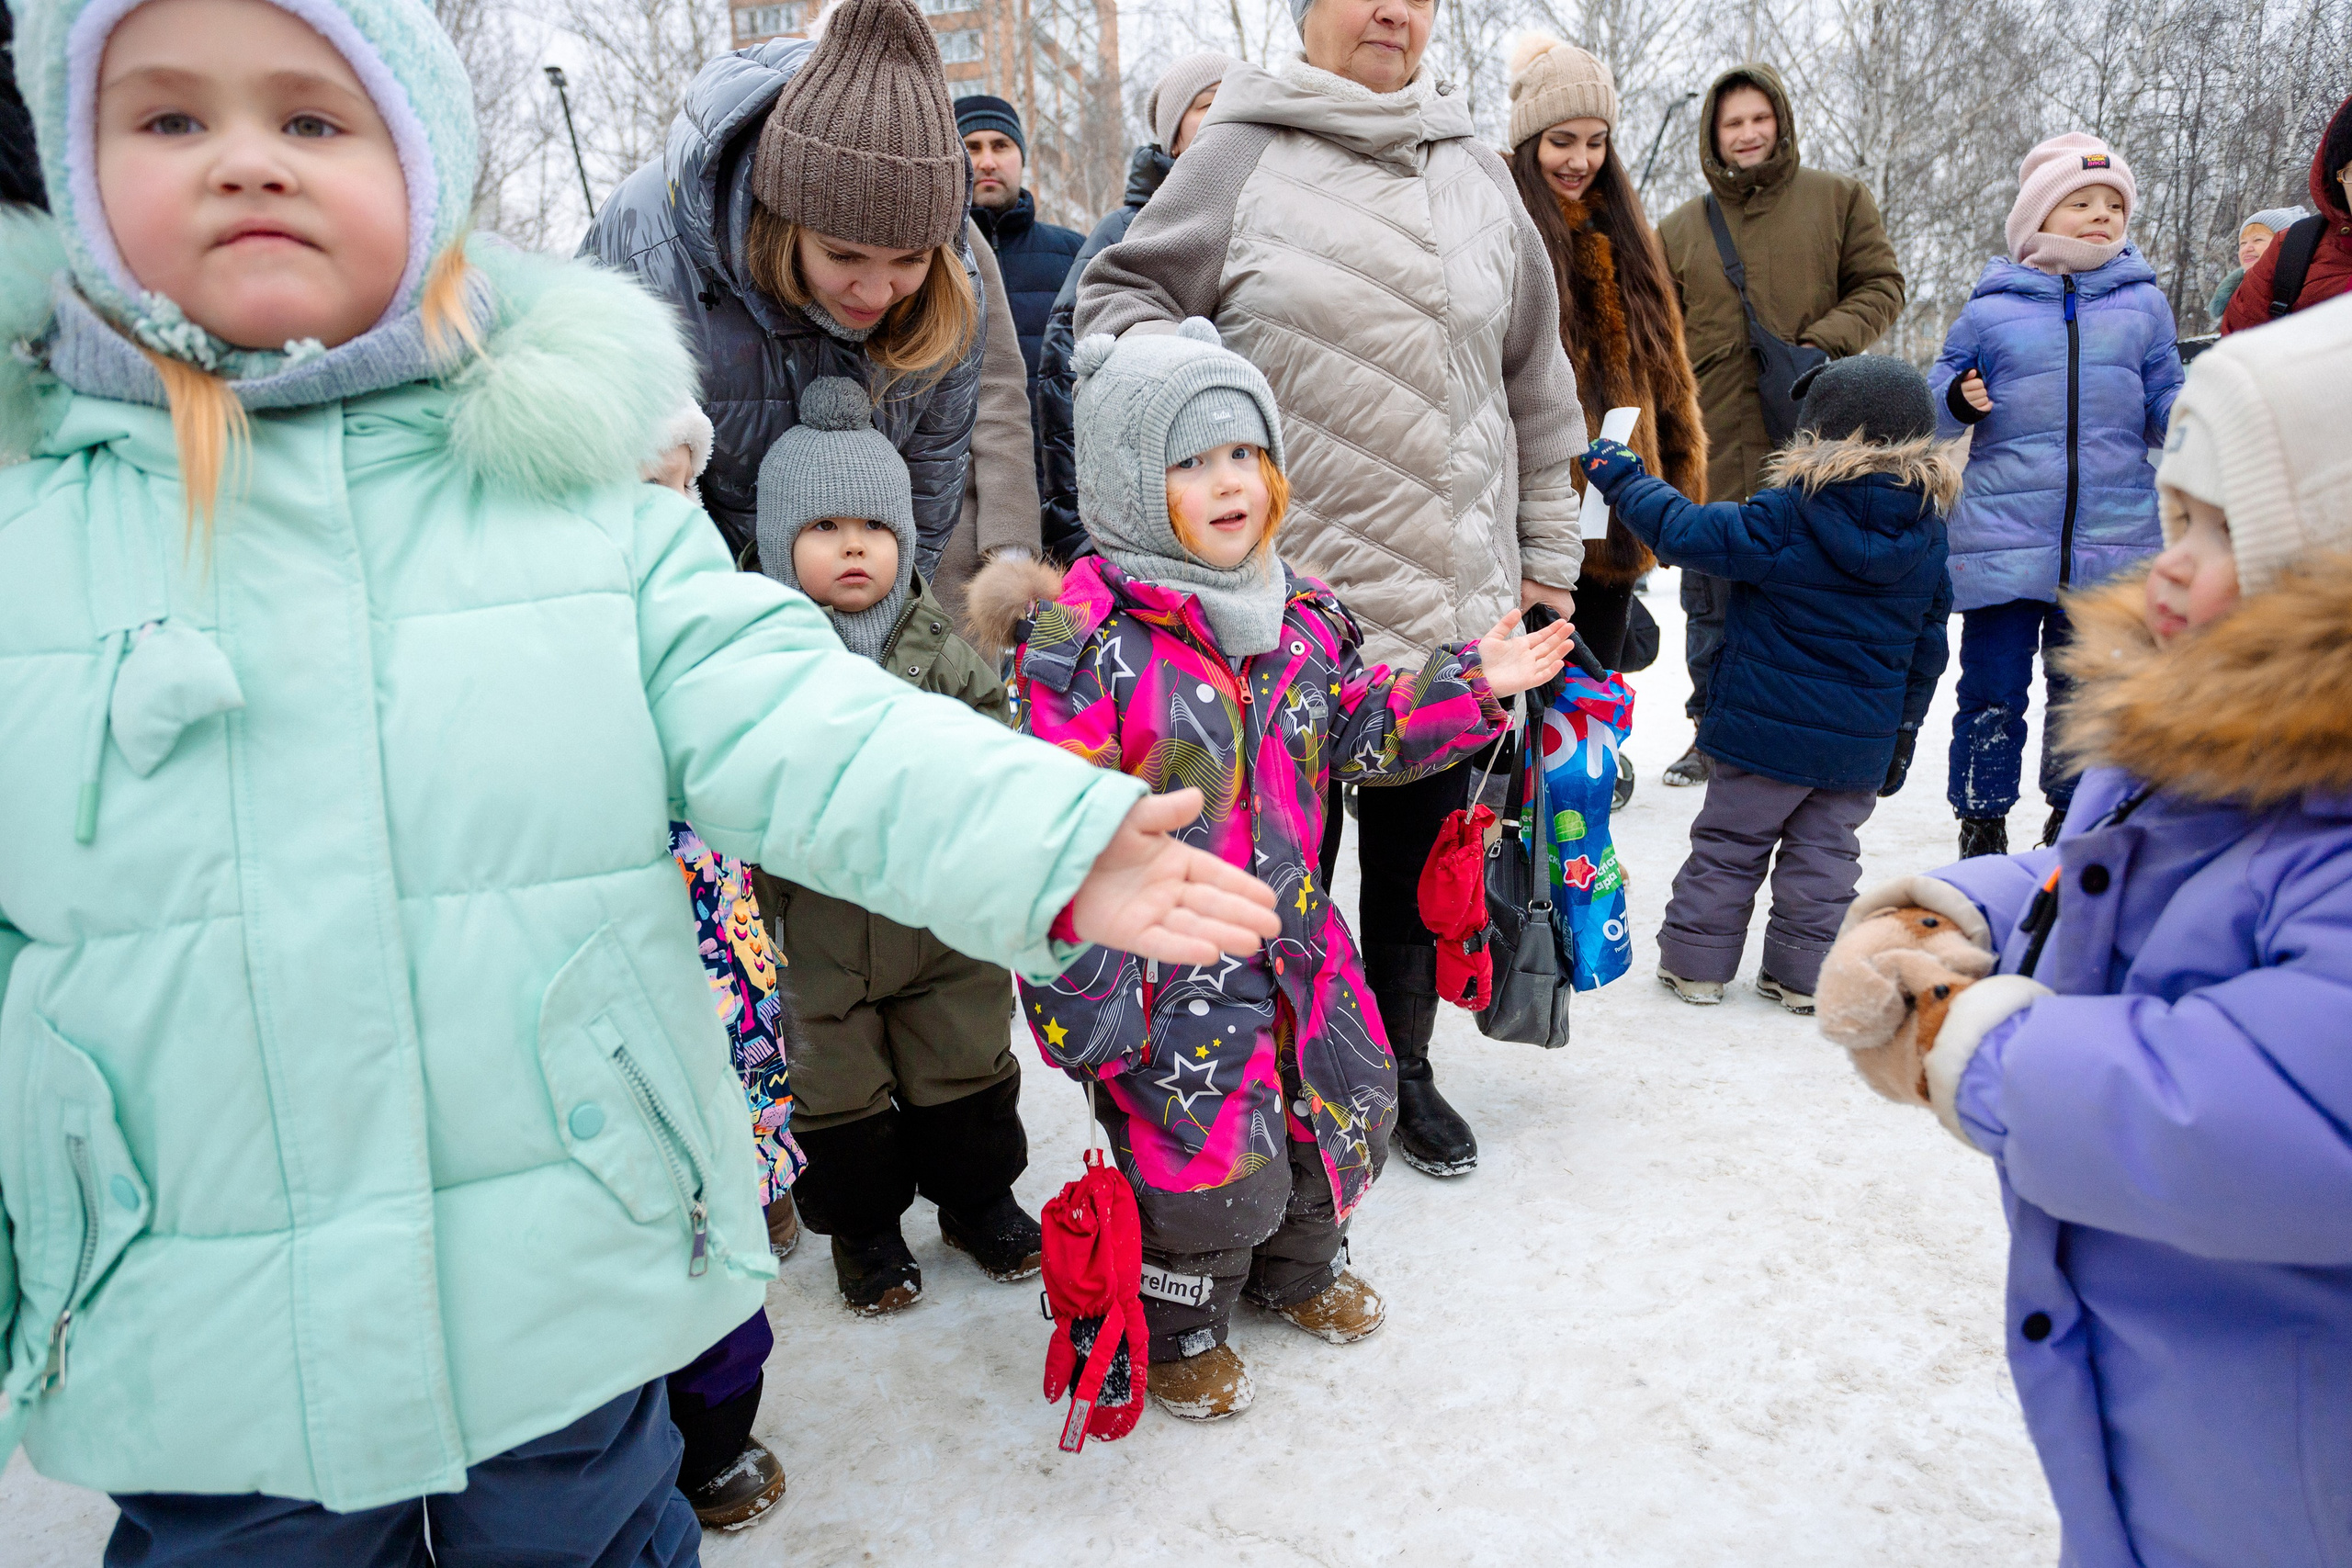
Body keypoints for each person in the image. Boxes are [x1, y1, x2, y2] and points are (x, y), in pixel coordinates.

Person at [0, 1, 1283, 1561]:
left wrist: (1044, 834)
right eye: (170, 120)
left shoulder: (567, 494)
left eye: (316, 119)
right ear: (66, 164)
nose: (248, 163)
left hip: (560, 1243)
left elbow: (801, 705)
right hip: (190, 1298)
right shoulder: (29, 536)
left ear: (426, 169)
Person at [1815, 295, 2352, 1568]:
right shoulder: (2216, 742)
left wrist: (1973, 1043)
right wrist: (1958, 909)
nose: (2164, 560)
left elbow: (2293, 1110)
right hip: (2193, 1427)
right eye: (2171, 515)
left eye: (2219, 532)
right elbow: (2109, 868)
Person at [972, 321, 1571, 1420]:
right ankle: (1185, 1316)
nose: (1228, 483)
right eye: (1189, 463)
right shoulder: (1083, 641)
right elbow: (1043, 832)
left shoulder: (1299, 615)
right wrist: (1081, 995)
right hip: (1166, 965)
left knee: (1337, 1106)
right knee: (1196, 1154)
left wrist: (1463, 684)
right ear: (1126, 483)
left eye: (1244, 454)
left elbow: (1359, 732)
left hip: (1297, 941)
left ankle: (1300, 1269)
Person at [1075, 0, 1589, 1179]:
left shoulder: (1472, 167)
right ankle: (1261, 1081)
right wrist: (1191, 457)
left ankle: (1401, 1070)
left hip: (1448, 600)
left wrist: (1549, 563)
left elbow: (1535, 383)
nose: (1393, 11)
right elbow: (1117, 310)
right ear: (1307, 15)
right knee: (1274, 868)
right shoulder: (1242, 151)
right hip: (1274, 620)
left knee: (1420, 860)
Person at [745, 378, 1044, 1318]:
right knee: (834, 1086)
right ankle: (866, 1232)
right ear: (777, 541)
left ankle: (977, 1200)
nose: (851, 547)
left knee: (963, 1057)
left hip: (937, 917)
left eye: (871, 527)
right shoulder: (761, 657)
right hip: (816, 927)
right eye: (823, 527)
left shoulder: (937, 642)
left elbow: (993, 734)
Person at [1582, 357, 1954, 1013]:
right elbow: (1928, 653)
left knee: (1729, 847)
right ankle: (1802, 975)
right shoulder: (1926, 538)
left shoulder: (1786, 516)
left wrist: (1625, 478)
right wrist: (1900, 740)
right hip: (1854, 750)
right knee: (1826, 861)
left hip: (1759, 733)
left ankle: (1697, 967)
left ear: (1819, 436)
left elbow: (1683, 530)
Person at [581, 0, 986, 574]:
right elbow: (599, 477)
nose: (874, 294)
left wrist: (884, 625)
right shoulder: (648, 246)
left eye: (908, 261)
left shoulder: (952, 290)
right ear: (779, 219)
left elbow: (926, 482)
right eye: (842, 254)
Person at [1930, 134, 2182, 859]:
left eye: (2114, 204)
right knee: (1992, 692)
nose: (2102, 215)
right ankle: (1981, 818)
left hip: (2114, 538)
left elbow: (2166, 396)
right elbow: (1932, 406)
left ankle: (2071, 818)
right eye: (2082, 203)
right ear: (2040, 216)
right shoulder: (1991, 309)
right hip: (2003, 538)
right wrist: (1958, 398)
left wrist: (2191, 417)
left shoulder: (2145, 306)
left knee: (2085, 691)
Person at [1655, 64, 1905, 788]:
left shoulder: (1839, 199)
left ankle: (1814, 732)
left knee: (1811, 596)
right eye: (1732, 123)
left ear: (1781, 120)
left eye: (1759, 118)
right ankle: (1711, 732)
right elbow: (1654, 337)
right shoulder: (1678, 230)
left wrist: (1822, 344)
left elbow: (1882, 284)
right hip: (1712, 448)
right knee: (1712, 601)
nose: (1748, 133)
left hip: (1813, 442)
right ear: (1714, 136)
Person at [1503, 34, 1706, 674]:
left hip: (1617, 522)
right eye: (1563, 140)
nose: (1581, 159)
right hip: (1526, 532)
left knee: (1592, 715)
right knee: (1519, 729)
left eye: (1597, 141)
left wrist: (1679, 492)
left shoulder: (1627, 234)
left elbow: (1670, 379)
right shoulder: (1501, 222)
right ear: (1531, 138)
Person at [1036, 51, 1235, 563]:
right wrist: (1080, 534)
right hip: (1156, 529)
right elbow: (1068, 377)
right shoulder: (1125, 234)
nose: (1225, 115)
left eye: (1236, 103)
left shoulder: (1271, 219)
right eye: (1208, 104)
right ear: (1172, 136)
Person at [956, 95, 1085, 387]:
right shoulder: (925, 258)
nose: (987, 162)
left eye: (1001, 146)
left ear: (1021, 158)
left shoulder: (1076, 254)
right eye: (971, 147)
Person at [2222, 92, 2352, 333]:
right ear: (2339, 181)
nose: (2248, 248)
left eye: (2258, 239)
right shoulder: (2291, 252)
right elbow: (2238, 356)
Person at [2208, 204, 2308, 324]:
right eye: (2243, 243)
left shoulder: (2303, 284)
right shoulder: (2236, 295)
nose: (2247, 248)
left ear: (2284, 244)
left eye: (2258, 240)